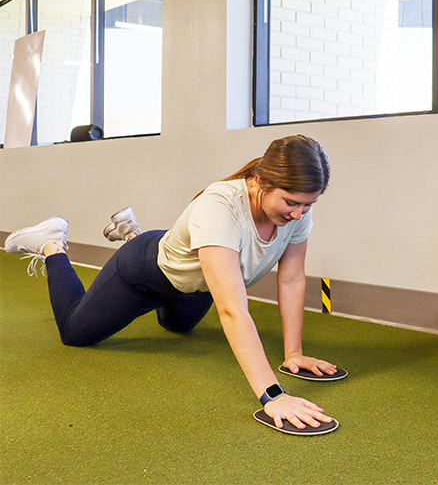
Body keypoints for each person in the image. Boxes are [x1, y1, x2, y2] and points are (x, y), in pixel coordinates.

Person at [5, 134, 337, 429]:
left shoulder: (296, 214)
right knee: (75, 332)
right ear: (261, 181)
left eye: (309, 204)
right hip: (143, 274)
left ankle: (131, 232)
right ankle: (51, 244)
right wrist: (273, 396)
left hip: (194, 283)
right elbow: (233, 309)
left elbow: (292, 277)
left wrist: (294, 353)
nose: (299, 213)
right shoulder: (220, 205)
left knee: (178, 327)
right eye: (292, 202)